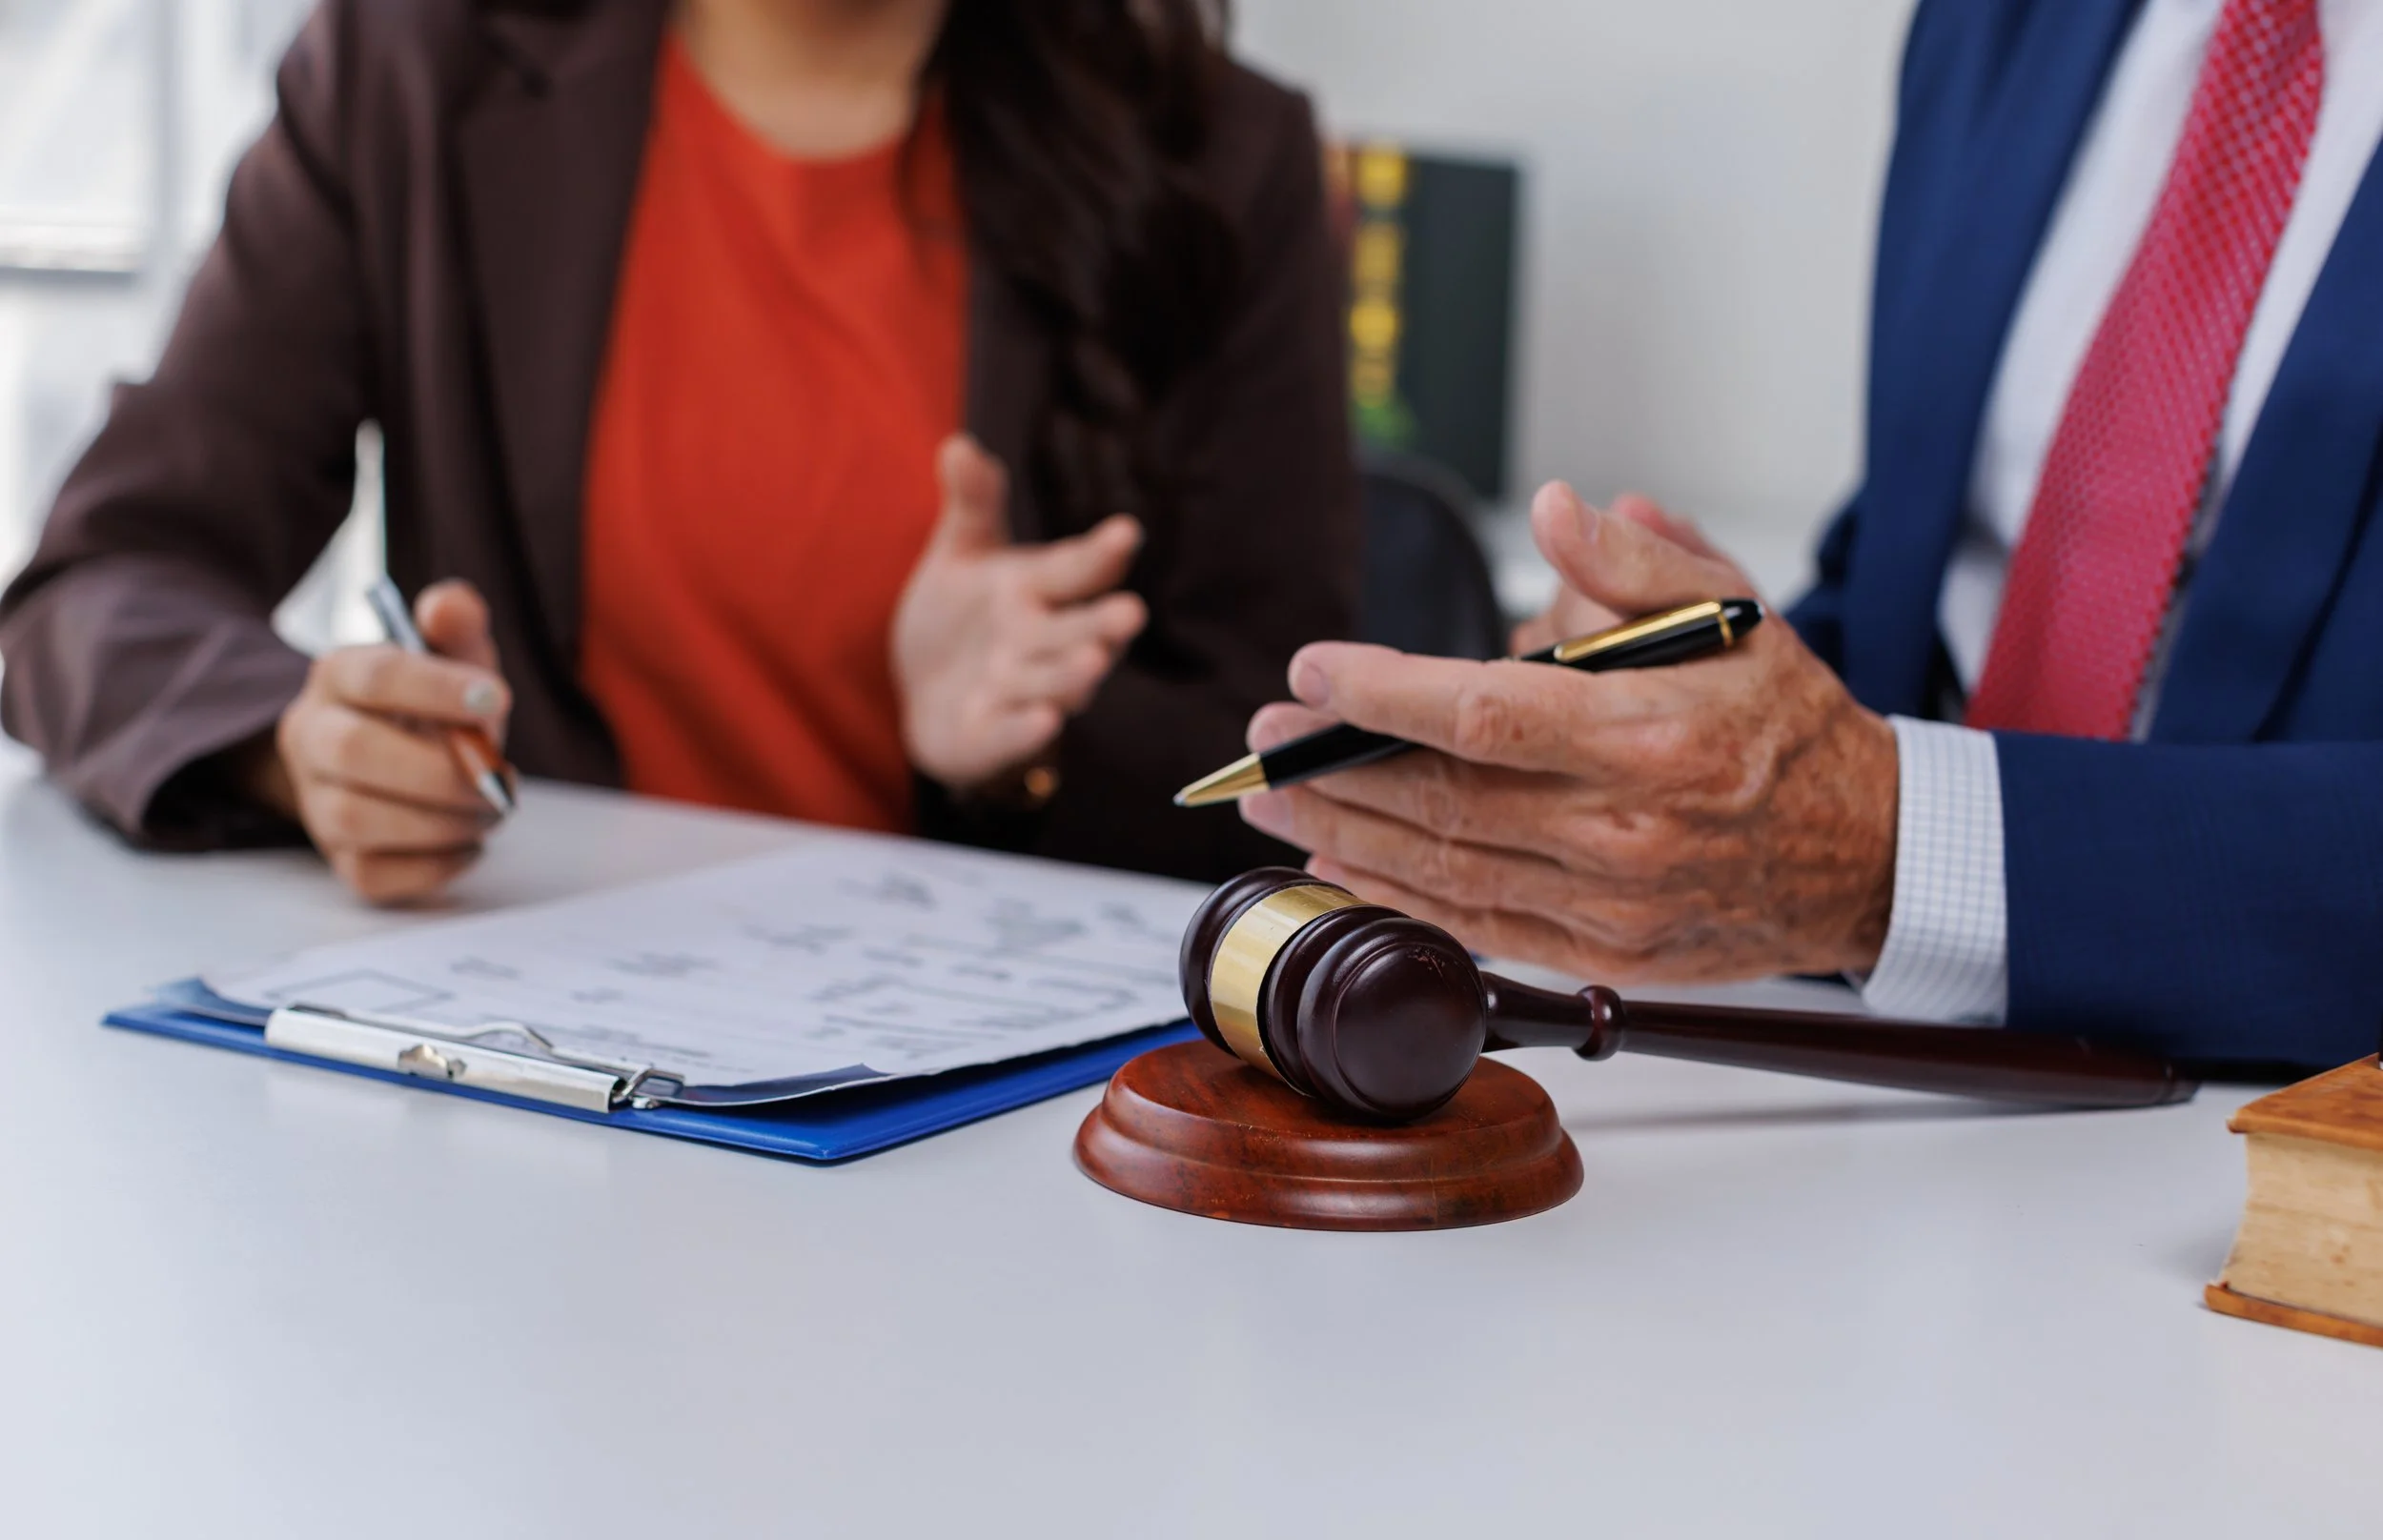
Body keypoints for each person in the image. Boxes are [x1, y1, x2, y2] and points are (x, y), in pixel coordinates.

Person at [1236, 0, 2383, 1068]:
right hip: (1898, 1082)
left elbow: (1896, 811)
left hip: (2284, 1136)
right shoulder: (1995, 24)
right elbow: (1924, 573)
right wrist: (1711, 705)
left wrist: (1890, 849)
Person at [0, 0, 1356, 901]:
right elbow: (98, 585)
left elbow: (1301, 760)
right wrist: (295, 747)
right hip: (536, 1034)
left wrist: (1023, 750)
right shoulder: (408, 68)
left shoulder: (1221, 159)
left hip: (991, 1103)